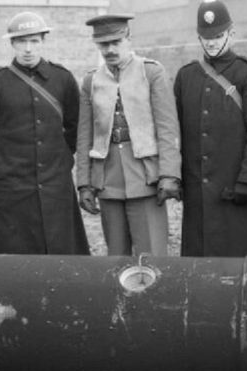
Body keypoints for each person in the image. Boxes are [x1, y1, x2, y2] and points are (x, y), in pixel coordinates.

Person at [0, 12, 89, 255]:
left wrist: (60, 156)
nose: (27, 49)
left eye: (34, 41)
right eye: (21, 42)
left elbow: (74, 125)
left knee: (60, 253)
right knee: (11, 256)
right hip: (11, 187)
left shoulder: (63, 79)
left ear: (43, 41)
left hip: (56, 183)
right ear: (12, 44)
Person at [75, 14, 182, 256]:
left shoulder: (151, 73)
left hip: (146, 179)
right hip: (107, 181)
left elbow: (167, 128)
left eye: (116, 42)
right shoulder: (91, 81)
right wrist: (84, 184)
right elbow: (85, 137)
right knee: (116, 261)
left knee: (152, 258)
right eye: (104, 44)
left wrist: (169, 174)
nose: (110, 50)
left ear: (128, 38)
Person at [173, 0, 247, 257]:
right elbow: (176, 134)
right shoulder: (186, 77)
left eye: (218, 36)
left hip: (237, 188)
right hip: (198, 191)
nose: (212, 43)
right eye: (206, 37)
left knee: (241, 261)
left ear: (231, 34)